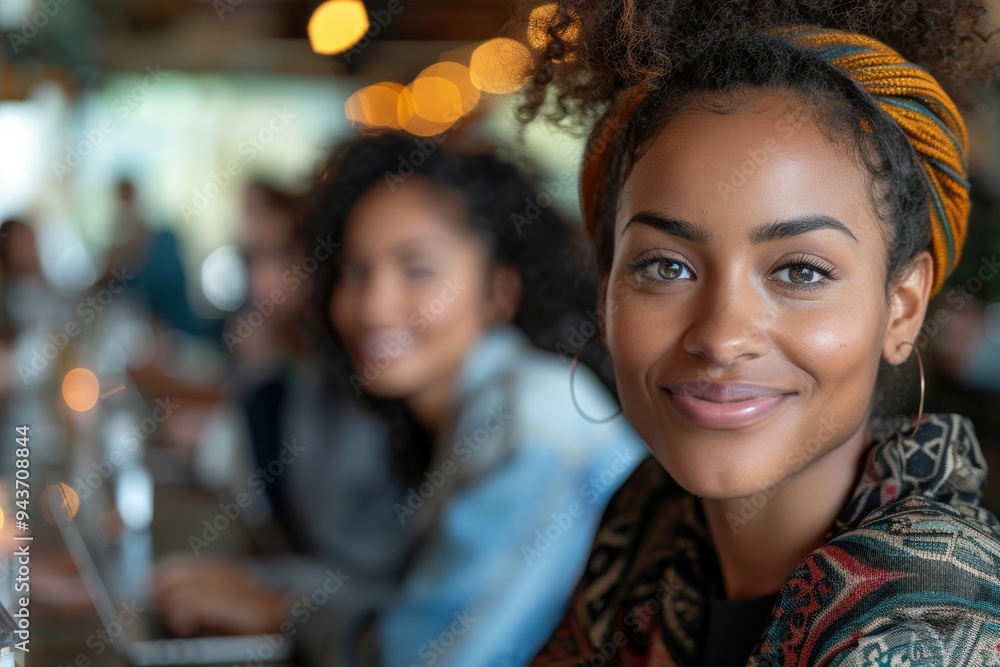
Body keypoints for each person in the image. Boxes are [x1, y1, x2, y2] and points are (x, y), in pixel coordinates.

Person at [511, 1, 1000, 665]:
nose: (721, 335)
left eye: (799, 270)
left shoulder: (934, 618)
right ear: (606, 291)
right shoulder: (646, 521)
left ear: (902, 308)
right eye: (665, 265)